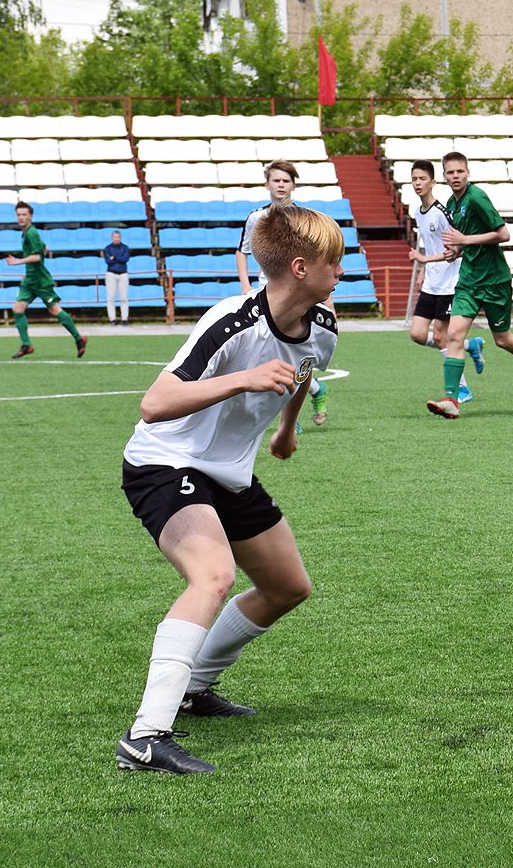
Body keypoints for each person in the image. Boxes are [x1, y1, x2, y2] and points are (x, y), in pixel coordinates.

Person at [116, 202, 344, 774]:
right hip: (165, 463)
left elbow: (303, 370)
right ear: (300, 267)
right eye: (333, 261)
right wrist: (241, 379)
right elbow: (155, 404)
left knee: (287, 586)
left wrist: (287, 430)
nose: (341, 271)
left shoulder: (323, 326)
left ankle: (194, 687)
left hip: (227, 473)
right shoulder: (231, 321)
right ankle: (145, 736)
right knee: (213, 576)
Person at [426, 152, 513, 418]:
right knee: (454, 335)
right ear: (444, 176)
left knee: (503, 339)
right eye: (450, 172)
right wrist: (458, 250)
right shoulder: (452, 203)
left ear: (468, 172)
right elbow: (467, 240)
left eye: (460, 171)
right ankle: (451, 399)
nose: (455, 176)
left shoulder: (477, 197)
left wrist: (465, 240)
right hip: (469, 281)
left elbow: (503, 234)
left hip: (495, 281)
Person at [237, 161, 331, 424]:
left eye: (286, 181)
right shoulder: (257, 218)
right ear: (267, 184)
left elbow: (319, 259)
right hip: (266, 295)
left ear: (293, 185)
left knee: (295, 353)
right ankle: (315, 391)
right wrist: (245, 285)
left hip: (299, 295)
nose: (280, 185)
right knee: (266, 354)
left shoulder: (305, 219)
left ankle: (291, 419)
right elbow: (242, 251)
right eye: (276, 180)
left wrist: (327, 299)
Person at [407, 160, 481, 404]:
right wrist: (423, 269)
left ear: (433, 182)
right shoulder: (418, 212)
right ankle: (470, 346)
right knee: (417, 334)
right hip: (432, 282)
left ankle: (462, 389)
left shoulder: (441, 212)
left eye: (422, 179)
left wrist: (424, 259)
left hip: (449, 283)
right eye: (414, 179)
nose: (418, 183)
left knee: (441, 336)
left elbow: (455, 249)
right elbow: (430, 244)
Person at [7, 201, 86, 359]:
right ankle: (27, 345)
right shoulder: (27, 233)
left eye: (24, 214)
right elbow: (44, 248)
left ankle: (79, 339)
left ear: (30, 216)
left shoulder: (31, 233)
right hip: (30, 280)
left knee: (54, 310)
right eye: (18, 215)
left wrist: (17, 261)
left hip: (40, 281)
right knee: (17, 308)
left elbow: (37, 256)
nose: (21, 217)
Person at [103, 230, 131, 327]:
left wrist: (114, 257)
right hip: (111, 273)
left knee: (124, 297)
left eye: (118, 237)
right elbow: (108, 261)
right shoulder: (107, 248)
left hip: (123, 274)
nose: (116, 239)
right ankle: (112, 319)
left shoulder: (125, 248)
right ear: (112, 238)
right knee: (111, 297)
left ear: (120, 238)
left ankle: (124, 318)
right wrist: (118, 258)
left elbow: (125, 259)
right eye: (114, 237)